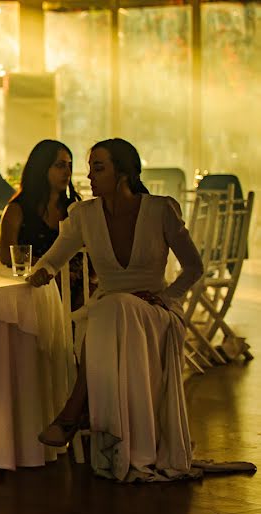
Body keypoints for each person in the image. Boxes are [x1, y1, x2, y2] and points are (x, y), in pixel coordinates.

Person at [28, 138, 203, 482]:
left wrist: (167, 298)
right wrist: (40, 272)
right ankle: (83, 417)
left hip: (155, 313)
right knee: (112, 307)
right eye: (90, 167)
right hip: (111, 314)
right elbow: (54, 258)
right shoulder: (85, 216)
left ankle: (72, 413)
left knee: (113, 308)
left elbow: (194, 268)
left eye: (99, 167)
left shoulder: (159, 210)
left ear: (123, 173)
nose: (89, 176)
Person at [0, 139, 90, 310]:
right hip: (35, 286)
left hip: (76, 290)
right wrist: (47, 267)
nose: (67, 172)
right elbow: (6, 254)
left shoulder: (73, 208)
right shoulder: (17, 209)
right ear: (41, 169)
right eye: (60, 165)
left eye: (69, 165)